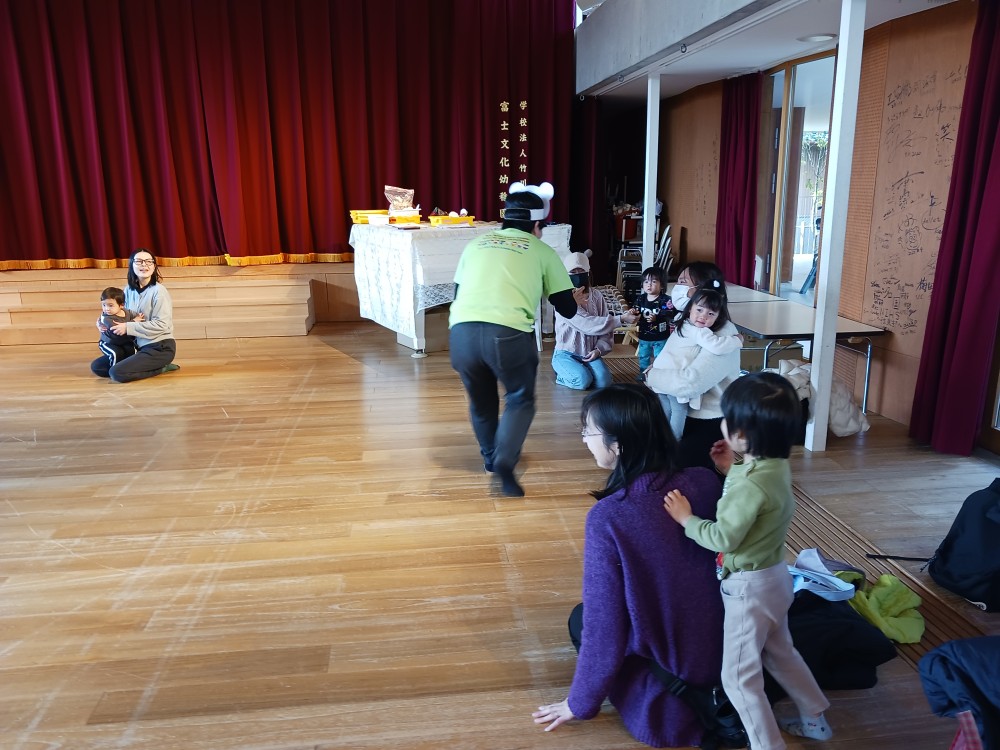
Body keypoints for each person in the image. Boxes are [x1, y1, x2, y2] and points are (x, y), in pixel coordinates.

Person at [532, 383, 725, 748]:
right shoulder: (705, 481)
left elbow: (605, 625)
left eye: (588, 431)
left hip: (670, 705)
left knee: (582, 619)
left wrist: (578, 703)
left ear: (618, 445)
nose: (584, 439)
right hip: (734, 672)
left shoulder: (609, 517)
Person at [663, 373, 833, 750]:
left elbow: (723, 537)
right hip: (776, 578)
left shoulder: (749, 483)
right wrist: (733, 467)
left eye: (727, 418)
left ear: (741, 435)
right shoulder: (775, 465)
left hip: (748, 590)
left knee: (739, 679)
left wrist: (687, 520)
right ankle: (814, 716)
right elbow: (757, 497)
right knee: (781, 653)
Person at [449, 182, 579, 497]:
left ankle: (491, 460)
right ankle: (506, 461)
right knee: (520, 398)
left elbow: (457, 293)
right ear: (537, 225)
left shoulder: (476, 244)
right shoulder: (542, 251)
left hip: (462, 334)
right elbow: (568, 309)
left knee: (482, 402)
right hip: (507, 334)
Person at [646, 275, 741, 471]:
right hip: (668, 383)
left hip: (705, 416)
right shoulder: (691, 323)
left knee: (673, 457)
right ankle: (666, 443)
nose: (678, 288)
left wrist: (651, 376)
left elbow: (690, 384)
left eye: (684, 283)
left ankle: (668, 443)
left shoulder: (707, 328)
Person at [552, 251, 637, 390]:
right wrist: (621, 318)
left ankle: (580, 372)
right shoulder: (562, 299)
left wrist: (598, 350)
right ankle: (562, 375)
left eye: (581, 271)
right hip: (566, 353)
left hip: (589, 352)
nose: (577, 275)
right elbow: (588, 324)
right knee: (582, 381)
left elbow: (605, 329)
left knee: (604, 382)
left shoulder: (597, 296)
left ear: (588, 272)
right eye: (573, 272)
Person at [91, 249, 178, 382]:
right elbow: (117, 311)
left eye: (149, 261)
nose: (144, 265)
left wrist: (128, 327)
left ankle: (162, 367)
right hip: (136, 346)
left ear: (154, 266)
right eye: (139, 261)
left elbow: (162, 325)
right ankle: (140, 363)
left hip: (159, 347)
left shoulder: (159, 291)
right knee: (98, 367)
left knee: (116, 373)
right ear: (131, 265)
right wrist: (101, 321)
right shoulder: (128, 290)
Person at [631, 266, 673, 380]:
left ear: (662, 285)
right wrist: (633, 312)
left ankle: (658, 375)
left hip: (661, 336)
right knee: (643, 356)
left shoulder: (666, 300)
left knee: (660, 357)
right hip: (644, 335)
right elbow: (636, 309)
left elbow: (670, 313)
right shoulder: (641, 299)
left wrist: (657, 317)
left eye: (654, 282)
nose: (649, 285)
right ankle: (644, 373)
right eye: (646, 282)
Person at [96, 286, 142, 369]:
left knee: (132, 350)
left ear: (121, 305)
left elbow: (135, 315)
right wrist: (135, 321)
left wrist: (139, 317)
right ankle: (115, 370)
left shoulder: (126, 312)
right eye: (104, 305)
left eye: (110, 305)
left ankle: (130, 368)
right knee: (115, 354)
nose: (106, 309)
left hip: (123, 341)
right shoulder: (107, 318)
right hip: (108, 342)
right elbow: (118, 329)